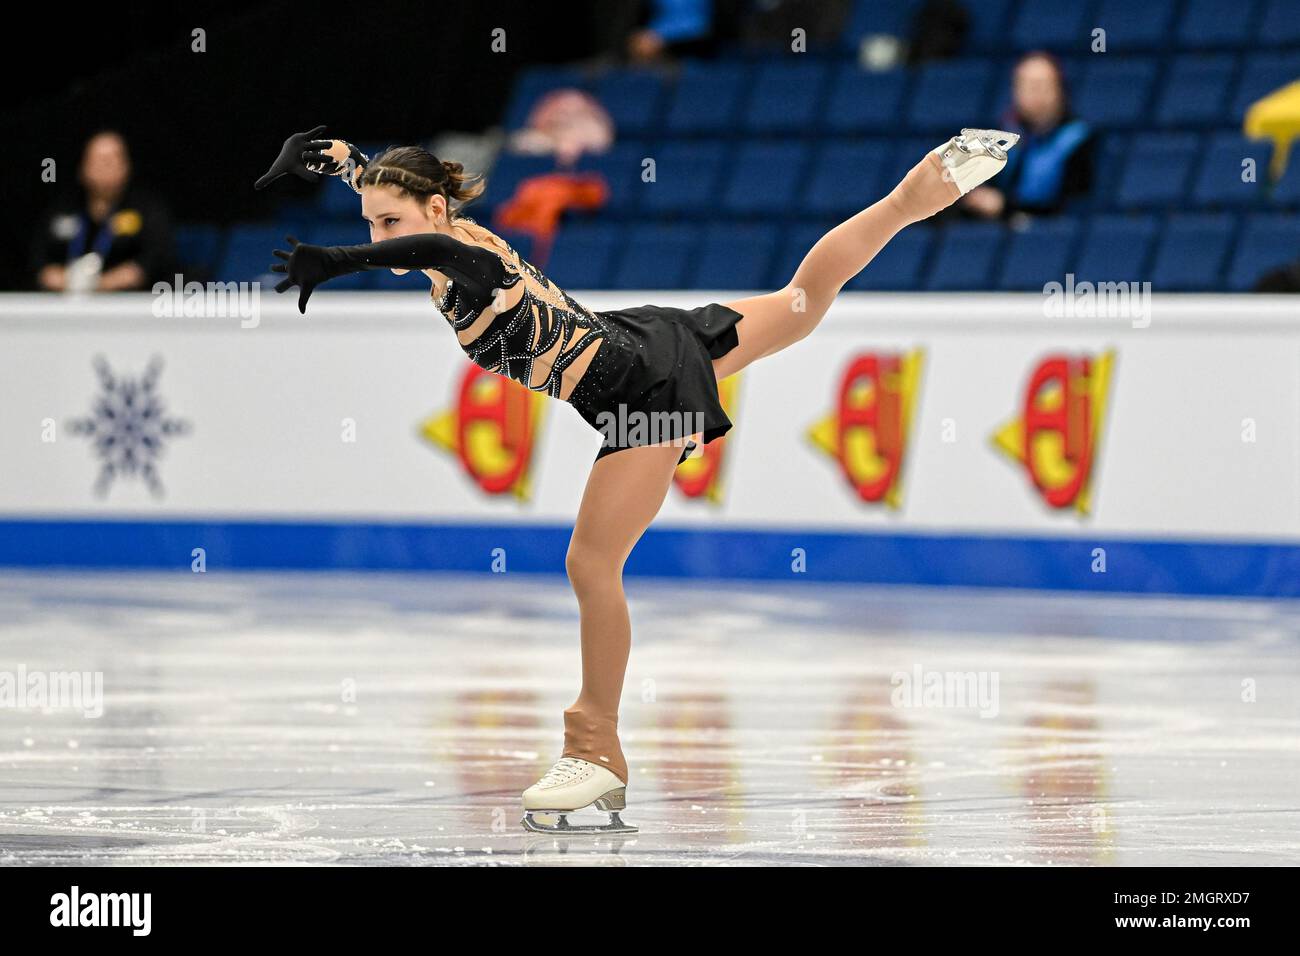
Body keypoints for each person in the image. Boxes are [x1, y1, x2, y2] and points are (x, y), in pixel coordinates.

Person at [255, 124, 1019, 833]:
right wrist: (335, 158)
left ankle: (595, 751)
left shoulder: (467, 260)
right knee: (802, 301)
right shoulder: (435, 223)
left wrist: (343, 260)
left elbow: (448, 258)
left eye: (389, 222)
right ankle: (914, 195)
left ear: (433, 209)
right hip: (643, 339)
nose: (377, 234)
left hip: (642, 394)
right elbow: (390, 197)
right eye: (368, 224)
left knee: (591, 563)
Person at [32, 130, 174, 292]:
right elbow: (40, 262)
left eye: (111, 159)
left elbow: (155, 262)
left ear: (126, 166)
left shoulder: (148, 210)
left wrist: (100, 284)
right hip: (66, 305)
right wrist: (63, 280)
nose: (105, 165)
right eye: (98, 159)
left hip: (130, 305)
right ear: (82, 168)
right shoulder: (63, 209)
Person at [961, 51, 1094, 220]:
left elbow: (1071, 207)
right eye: (1025, 85)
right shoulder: (1001, 136)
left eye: (1040, 84)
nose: (1033, 92)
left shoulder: (1080, 139)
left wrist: (1004, 207)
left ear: (1059, 89)